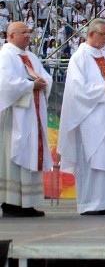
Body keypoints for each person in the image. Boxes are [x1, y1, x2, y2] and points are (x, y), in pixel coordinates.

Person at [58, 18, 105, 215]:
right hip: (92, 117)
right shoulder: (79, 58)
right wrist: (104, 90)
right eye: (103, 35)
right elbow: (76, 90)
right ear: (91, 34)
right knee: (95, 158)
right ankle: (92, 204)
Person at [0, 22, 51, 217]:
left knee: (30, 154)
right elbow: (5, 84)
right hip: (14, 118)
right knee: (15, 155)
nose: (28, 36)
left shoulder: (30, 57)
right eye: (23, 33)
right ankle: (12, 203)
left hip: (32, 115)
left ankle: (27, 203)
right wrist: (30, 86)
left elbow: (44, 77)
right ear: (11, 36)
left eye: (29, 32)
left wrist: (42, 83)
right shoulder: (6, 54)